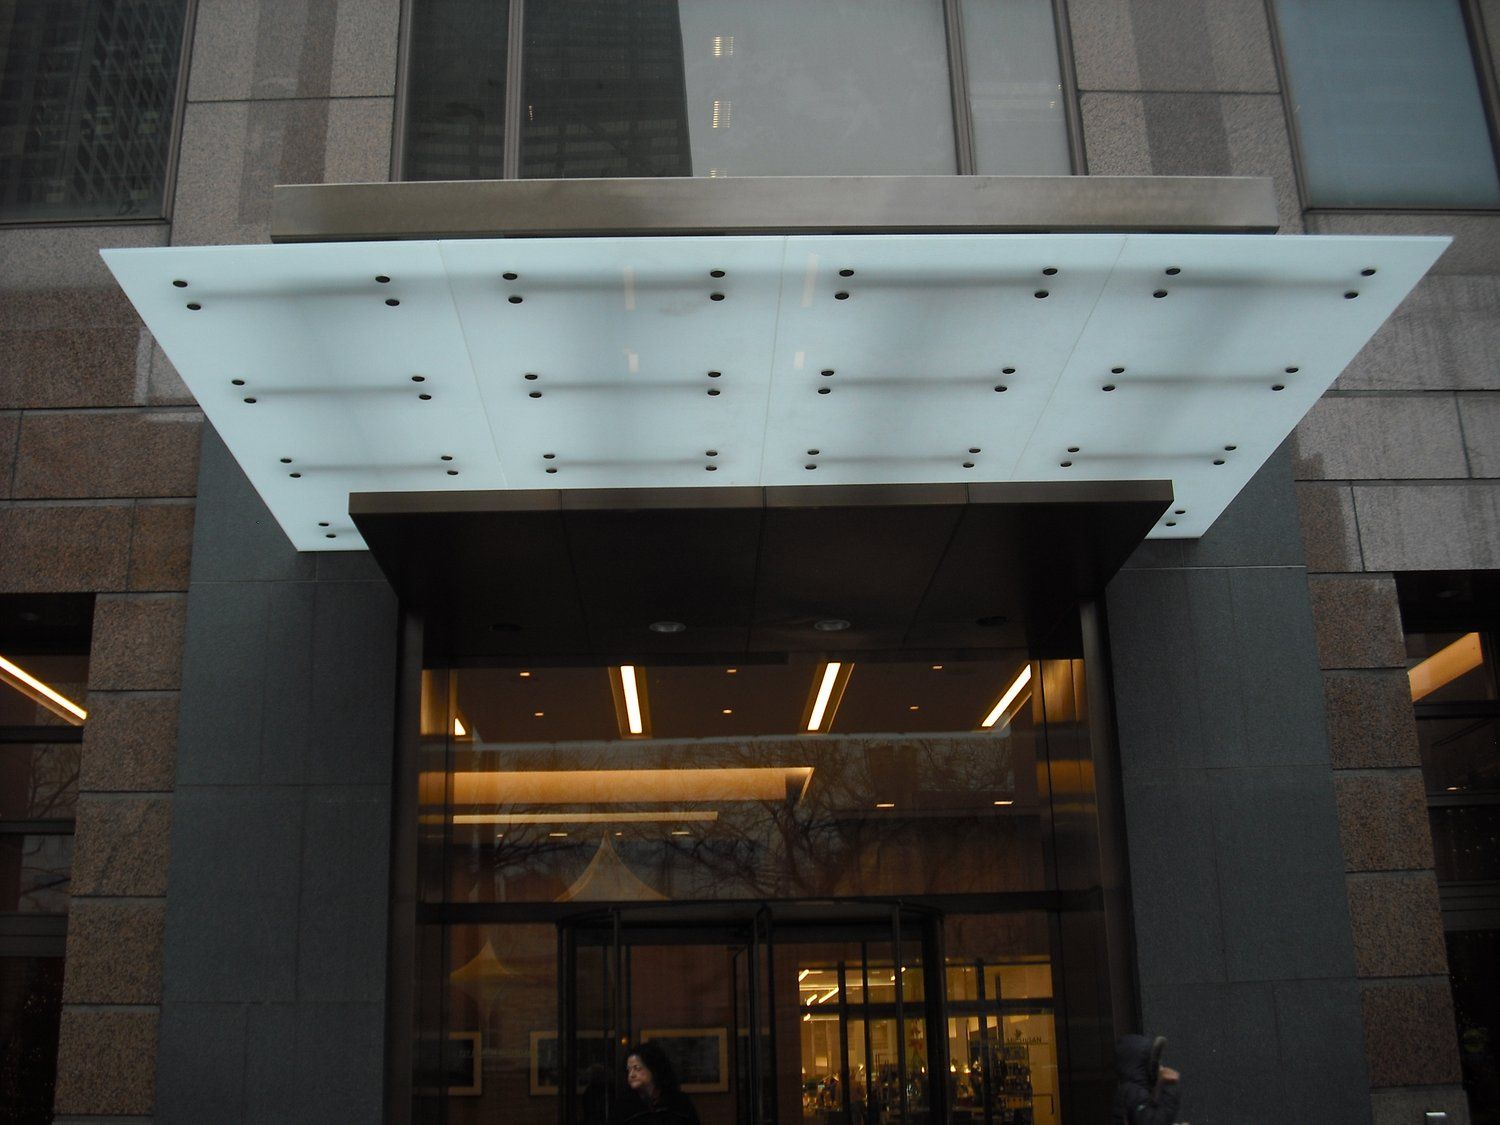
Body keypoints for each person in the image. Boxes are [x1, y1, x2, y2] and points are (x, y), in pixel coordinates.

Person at [618, 1041, 701, 1125]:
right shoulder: (624, 1106)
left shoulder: (679, 1103)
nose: (631, 1075)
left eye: (637, 1068)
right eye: (629, 1070)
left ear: (653, 1069)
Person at [1111, 1034, 1186, 1125]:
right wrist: (1169, 1085)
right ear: (1143, 1065)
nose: (1159, 1067)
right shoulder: (1133, 1091)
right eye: (1154, 1062)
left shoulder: (1132, 1090)